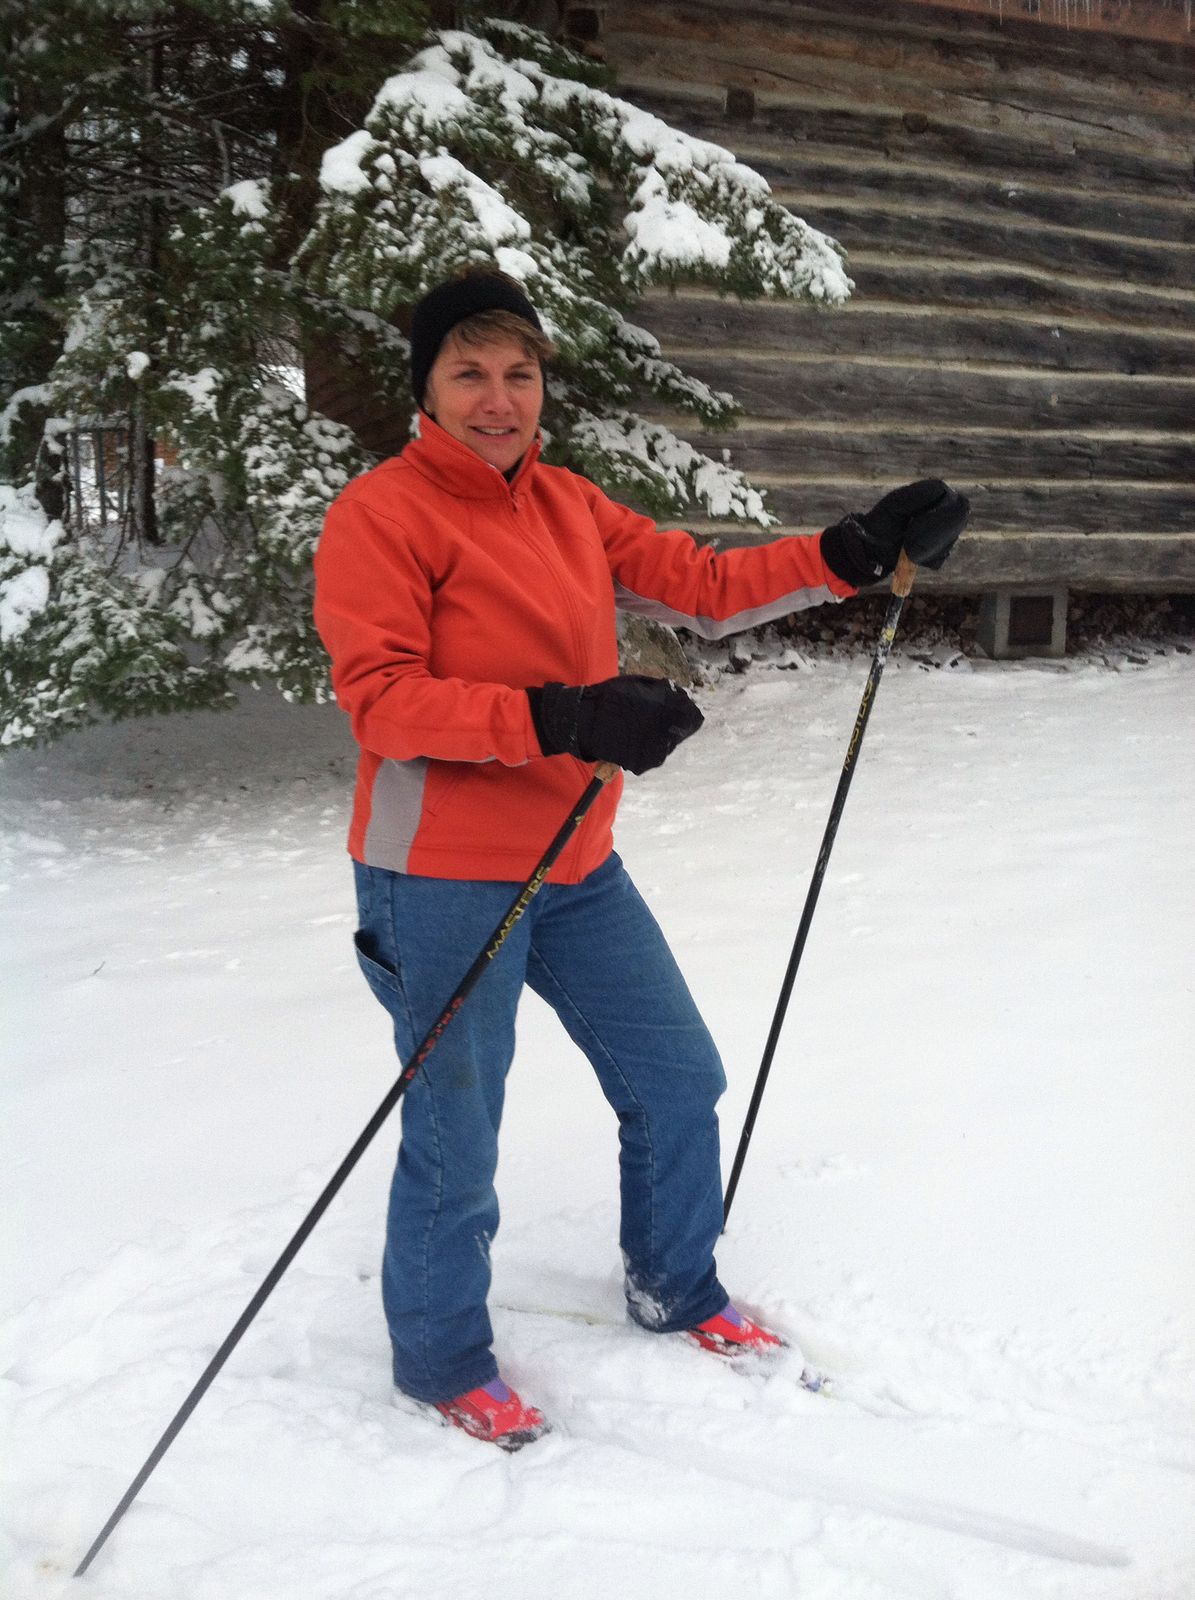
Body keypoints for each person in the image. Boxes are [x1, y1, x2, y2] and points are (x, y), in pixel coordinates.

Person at [313, 268, 968, 1451]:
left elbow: (703, 584)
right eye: (468, 372)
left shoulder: (566, 502)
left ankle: (676, 1285)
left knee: (675, 1076)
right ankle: (441, 1356)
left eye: (518, 372)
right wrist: (561, 718)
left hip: (572, 860)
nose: (498, 397)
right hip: (441, 877)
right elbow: (383, 701)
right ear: (426, 390)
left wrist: (847, 550)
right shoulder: (382, 514)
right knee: (456, 1130)